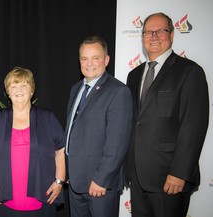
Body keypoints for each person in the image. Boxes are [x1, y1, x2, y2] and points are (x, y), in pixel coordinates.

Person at [125, 12, 209, 217]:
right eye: (148, 32)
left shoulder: (189, 72)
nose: (153, 36)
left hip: (169, 178)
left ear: (171, 35)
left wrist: (179, 172)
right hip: (137, 177)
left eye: (160, 31)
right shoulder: (134, 75)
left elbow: (193, 126)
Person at [0, 67, 66, 217]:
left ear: (32, 90)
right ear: (8, 92)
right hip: (4, 198)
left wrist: (59, 181)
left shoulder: (47, 117)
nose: (18, 90)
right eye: (13, 86)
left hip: (43, 196)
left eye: (24, 85)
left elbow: (60, 150)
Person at [65, 35, 132, 217]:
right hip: (76, 182)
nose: (89, 63)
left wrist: (101, 180)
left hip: (100, 184)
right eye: (84, 58)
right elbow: (72, 131)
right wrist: (69, 170)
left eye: (96, 58)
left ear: (106, 60)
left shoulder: (118, 91)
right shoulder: (76, 89)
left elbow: (117, 143)